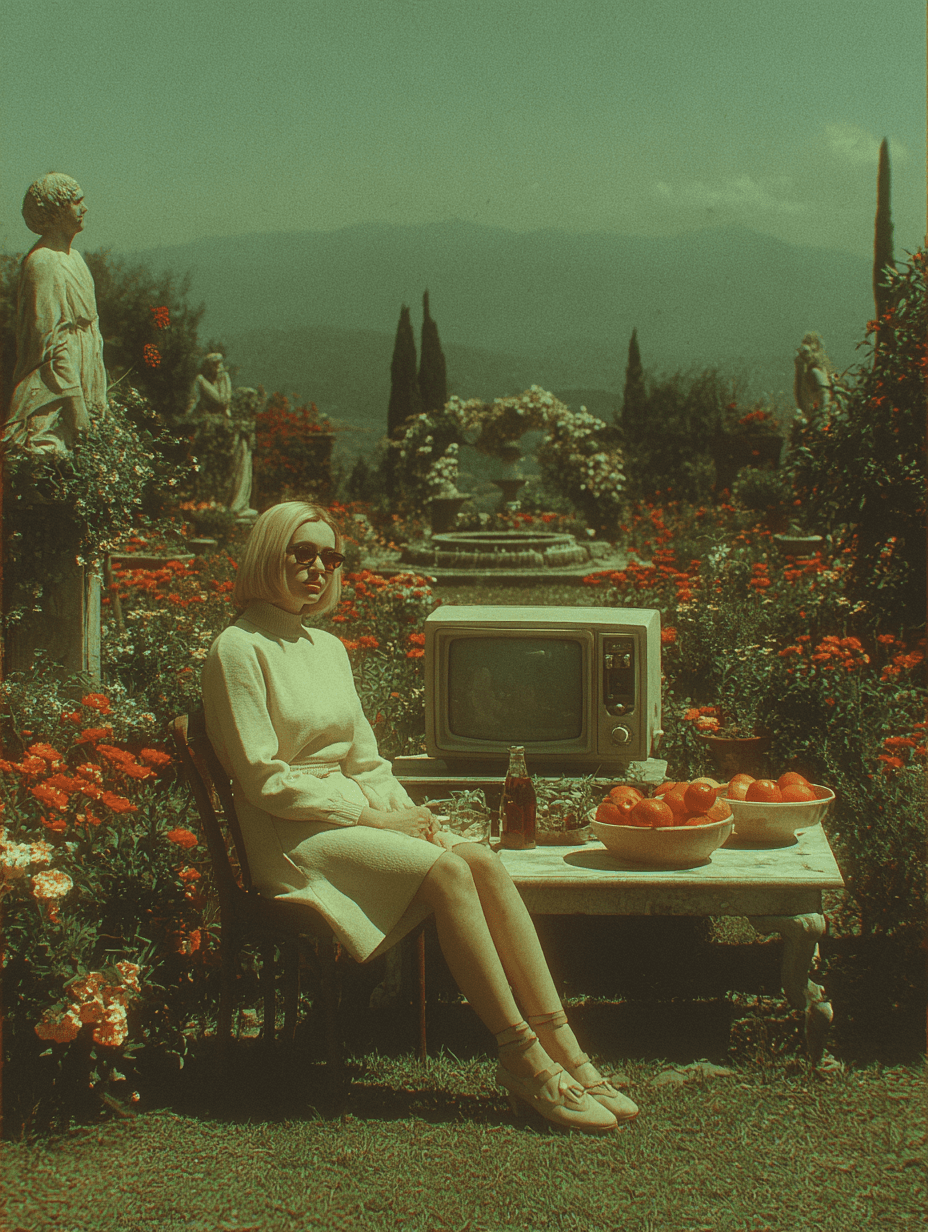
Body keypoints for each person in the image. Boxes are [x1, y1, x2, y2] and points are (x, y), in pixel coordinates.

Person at [201, 500, 638, 1133]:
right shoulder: (237, 649)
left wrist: (411, 816)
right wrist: (377, 824)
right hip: (291, 835)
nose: (319, 568)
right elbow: (264, 781)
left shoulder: (326, 646)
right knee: (445, 874)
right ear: (269, 554)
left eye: (330, 557)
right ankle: (521, 1057)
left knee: (479, 858)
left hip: (346, 819)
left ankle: (566, 1048)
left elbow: (367, 760)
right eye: (303, 553)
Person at [3, 173, 107, 456]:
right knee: (52, 461)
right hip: (56, 391)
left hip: (86, 378)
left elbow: (92, 330)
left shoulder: (75, 258)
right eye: (76, 202)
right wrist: (76, 406)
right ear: (56, 210)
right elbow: (49, 344)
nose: (84, 208)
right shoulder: (43, 262)